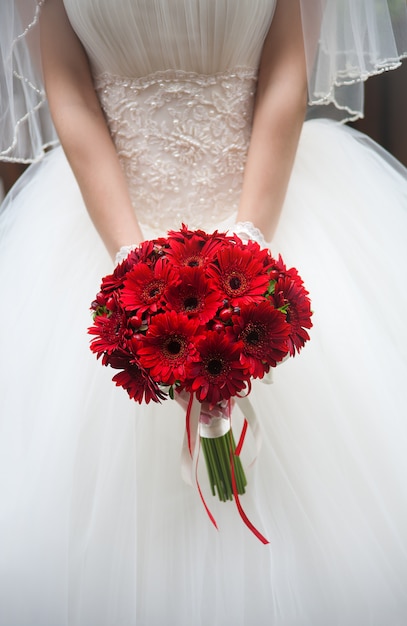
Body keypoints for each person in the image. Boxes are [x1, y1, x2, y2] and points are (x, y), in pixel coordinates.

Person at [1, 1, 407, 624]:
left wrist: (248, 250)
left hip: (269, 212)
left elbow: (286, 72)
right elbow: (70, 91)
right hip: (101, 228)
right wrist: (134, 269)